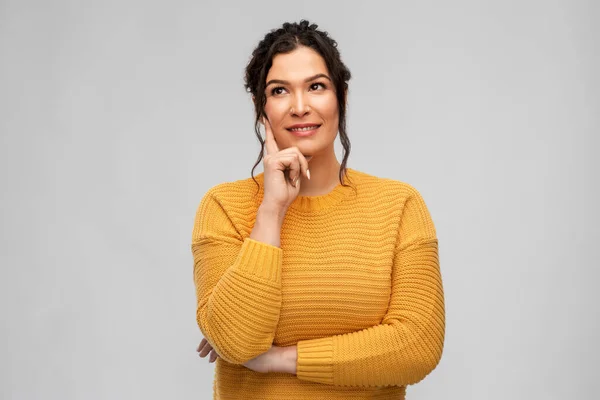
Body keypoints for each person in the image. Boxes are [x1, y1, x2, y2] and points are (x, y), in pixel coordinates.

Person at [191, 20, 445, 400]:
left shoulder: (399, 205)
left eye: (316, 86)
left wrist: (279, 358)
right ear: (260, 106)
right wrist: (272, 211)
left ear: (340, 96)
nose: (300, 107)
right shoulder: (224, 207)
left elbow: (417, 347)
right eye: (279, 91)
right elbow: (236, 340)